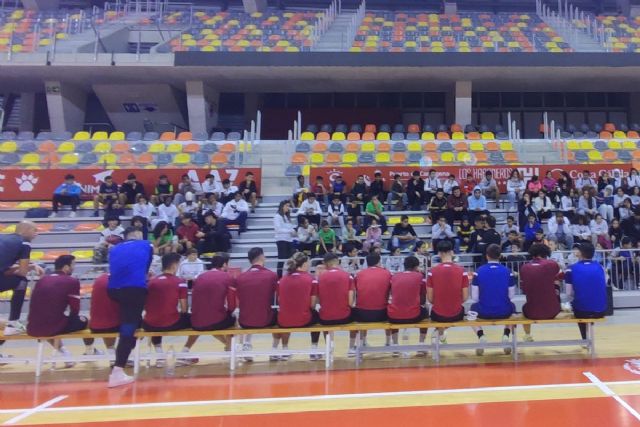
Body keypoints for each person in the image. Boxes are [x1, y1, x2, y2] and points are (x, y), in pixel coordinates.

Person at [107, 226, 153, 388]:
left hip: (113, 289)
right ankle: (118, 370)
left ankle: (125, 352)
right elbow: (145, 270)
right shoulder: (147, 245)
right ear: (138, 235)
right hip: (133, 289)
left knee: (133, 322)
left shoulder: (114, 249)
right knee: (128, 327)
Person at [26, 255, 94, 365]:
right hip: (52, 326)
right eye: (73, 265)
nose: (74, 267)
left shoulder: (42, 280)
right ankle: (90, 351)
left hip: (32, 326)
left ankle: (65, 354)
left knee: (50, 323)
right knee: (89, 321)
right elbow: (75, 309)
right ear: (66, 267)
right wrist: (75, 321)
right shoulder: (72, 281)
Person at [143, 253, 198, 367]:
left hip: (149, 324)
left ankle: (159, 356)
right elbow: (184, 308)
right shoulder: (180, 282)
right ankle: (184, 353)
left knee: (156, 319)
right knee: (199, 322)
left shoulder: (150, 282)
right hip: (170, 322)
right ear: (174, 265)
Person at [470, 244, 516, 356]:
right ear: (500, 256)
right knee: (513, 308)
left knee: (471, 310)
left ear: (487, 256)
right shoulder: (508, 271)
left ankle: (481, 336)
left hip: (483, 311)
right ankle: (506, 335)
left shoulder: (478, 271)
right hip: (504, 311)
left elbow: (475, 297)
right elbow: (511, 296)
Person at [235, 248, 279, 359]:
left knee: (250, 309)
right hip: (265, 319)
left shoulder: (241, 277)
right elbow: (279, 296)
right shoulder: (271, 275)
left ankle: (246, 344)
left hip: (244, 321)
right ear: (262, 257)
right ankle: (274, 350)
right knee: (280, 316)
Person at [0, 222, 43, 336]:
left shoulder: (3, 238)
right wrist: (30, 267)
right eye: (35, 230)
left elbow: (5, 270)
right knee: (22, 282)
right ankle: (12, 324)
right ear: (26, 230)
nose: (36, 234)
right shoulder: (25, 243)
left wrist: (30, 265)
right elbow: (23, 272)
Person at [276, 253, 320, 360]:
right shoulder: (311, 279)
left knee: (284, 315)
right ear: (304, 264)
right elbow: (312, 304)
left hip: (284, 320)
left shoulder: (281, 280)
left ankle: (285, 349)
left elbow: (279, 300)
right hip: (304, 319)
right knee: (318, 315)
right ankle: (314, 350)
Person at [427, 240, 469, 344]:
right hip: (457, 314)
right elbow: (465, 298)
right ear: (452, 252)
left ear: (439, 253)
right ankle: (440, 333)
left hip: (437, 314)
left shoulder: (431, 272)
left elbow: (430, 299)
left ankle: (439, 332)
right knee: (458, 312)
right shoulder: (462, 271)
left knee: (437, 314)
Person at [191, 254, 236, 351]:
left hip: (195, 320)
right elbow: (232, 305)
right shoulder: (227, 277)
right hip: (215, 320)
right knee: (232, 318)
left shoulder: (199, 277)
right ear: (224, 264)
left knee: (205, 319)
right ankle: (230, 347)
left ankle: (185, 349)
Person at [564, 243, 608, 340]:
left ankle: (585, 338)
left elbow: (569, 293)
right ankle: (588, 337)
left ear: (579, 253)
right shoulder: (601, 267)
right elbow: (604, 284)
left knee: (576, 305)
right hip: (601, 311)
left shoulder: (570, 269)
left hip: (582, 312)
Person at [351, 253, 392, 354]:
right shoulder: (387, 273)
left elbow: (354, 291)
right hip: (381, 313)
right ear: (379, 262)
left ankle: (360, 343)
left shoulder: (359, 274)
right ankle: (388, 343)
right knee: (391, 310)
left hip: (362, 313)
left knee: (358, 310)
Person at [520, 244, 562, 341]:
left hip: (532, 311)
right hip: (553, 311)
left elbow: (524, 290)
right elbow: (559, 276)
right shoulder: (552, 264)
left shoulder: (524, 267)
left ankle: (527, 335)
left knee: (522, 311)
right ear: (546, 253)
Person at [387, 256, 428, 352]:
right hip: (413, 315)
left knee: (394, 310)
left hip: (394, 316)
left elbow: (392, 294)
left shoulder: (394, 277)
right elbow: (423, 300)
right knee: (426, 312)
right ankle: (421, 344)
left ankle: (395, 344)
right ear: (416, 267)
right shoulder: (420, 277)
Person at [317, 253, 355, 326]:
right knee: (356, 313)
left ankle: (328, 337)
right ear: (337, 261)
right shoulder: (348, 276)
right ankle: (354, 338)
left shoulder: (320, 278)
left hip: (325, 318)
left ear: (325, 264)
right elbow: (350, 303)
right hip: (344, 317)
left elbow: (318, 300)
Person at [89, 273, 120, 358]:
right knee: (135, 324)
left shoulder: (100, 278)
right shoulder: (121, 280)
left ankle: (90, 349)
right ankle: (124, 355)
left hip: (94, 326)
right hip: (112, 326)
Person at [274, 200, 297, 278]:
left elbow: (290, 227)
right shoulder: (277, 216)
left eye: (289, 206)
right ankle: (279, 276)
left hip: (288, 240)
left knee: (290, 258)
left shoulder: (286, 217)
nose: (288, 207)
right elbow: (278, 229)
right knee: (281, 259)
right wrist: (290, 231)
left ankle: (289, 275)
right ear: (282, 206)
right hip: (281, 240)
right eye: (287, 206)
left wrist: (293, 231)